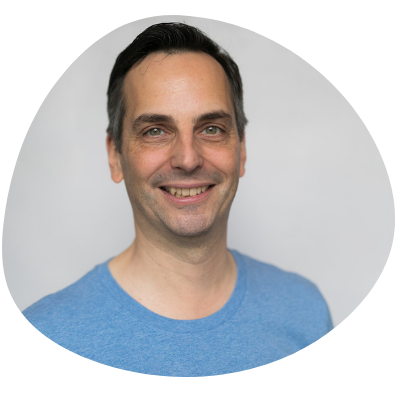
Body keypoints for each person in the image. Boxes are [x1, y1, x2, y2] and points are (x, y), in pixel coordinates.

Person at [22, 22, 333, 376]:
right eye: (155, 131)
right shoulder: (51, 330)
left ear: (241, 149)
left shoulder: (305, 312)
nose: (187, 158)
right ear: (115, 155)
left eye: (211, 129)